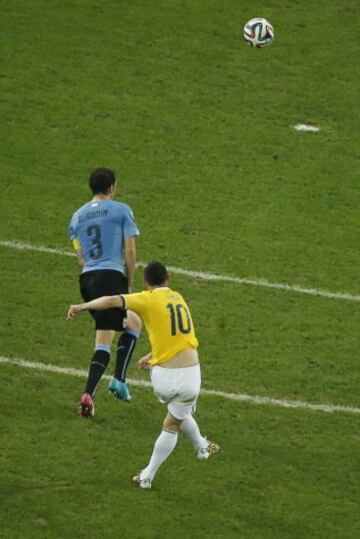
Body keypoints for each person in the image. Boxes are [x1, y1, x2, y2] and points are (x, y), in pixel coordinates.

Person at [67, 261, 220, 488]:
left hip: (165, 377)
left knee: (174, 419)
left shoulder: (146, 298)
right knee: (179, 413)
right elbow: (181, 336)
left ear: (146, 284)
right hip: (192, 376)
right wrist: (153, 353)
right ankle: (198, 448)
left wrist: (82, 305)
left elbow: (111, 300)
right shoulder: (178, 298)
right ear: (168, 280)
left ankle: (158, 471)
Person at [68, 168, 142, 417]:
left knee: (109, 332)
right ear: (111, 187)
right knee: (130, 325)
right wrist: (128, 284)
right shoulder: (121, 210)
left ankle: (91, 394)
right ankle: (116, 380)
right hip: (111, 278)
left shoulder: (76, 217)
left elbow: (80, 257)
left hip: (87, 280)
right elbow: (130, 251)